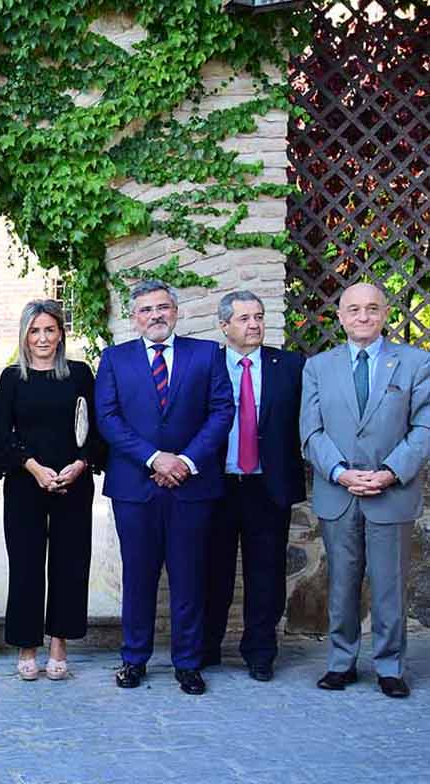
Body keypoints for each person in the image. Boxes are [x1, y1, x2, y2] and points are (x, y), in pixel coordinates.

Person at [95, 280, 233, 695]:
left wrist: (185, 462)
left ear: (176, 311)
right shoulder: (115, 359)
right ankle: (134, 658)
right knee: (138, 577)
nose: (155, 315)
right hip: (135, 487)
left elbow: (221, 411)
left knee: (189, 577)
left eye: (162, 307)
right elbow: (108, 418)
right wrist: (155, 458)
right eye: (146, 309)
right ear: (134, 317)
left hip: (192, 485)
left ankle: (187, 663)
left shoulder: (206, 354)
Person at [300, 281, 430, 698]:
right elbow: (311, 431)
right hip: (339, 493)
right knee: (341, 582)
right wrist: (340, 472)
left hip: (391, 492)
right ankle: (341, 663)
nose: (363, 316)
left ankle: (390, 667)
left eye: (372, 308)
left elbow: (424, 427)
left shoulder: (416, 362)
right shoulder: (318, 367)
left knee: (389, 584)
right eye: (353, 309)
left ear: (385, 314)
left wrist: (390, 472)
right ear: (340, 317)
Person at [0, 299, 103, 681]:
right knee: (25, 565)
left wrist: (81, 464)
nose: (42, 338)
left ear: (60, 334)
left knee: (69, 564)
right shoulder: (12, 378)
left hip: (73, 483)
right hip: (26, 484)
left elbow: (96, 428)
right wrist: (33, 467)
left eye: (49, 330)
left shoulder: (80, 374)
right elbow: (1, 433)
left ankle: (59, 643)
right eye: (35, 331)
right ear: (25, 335)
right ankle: (27, 645)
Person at [201, 291, 306, 681]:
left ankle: (260, 652)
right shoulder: (206, 365)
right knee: (213, 571)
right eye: (244, 318)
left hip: (267, 486)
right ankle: (206, 647)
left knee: (266, 574)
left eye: (259, 316)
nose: (254, 324)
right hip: (217, 484)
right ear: (224, 325)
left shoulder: (290, 366)